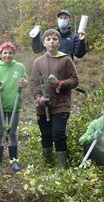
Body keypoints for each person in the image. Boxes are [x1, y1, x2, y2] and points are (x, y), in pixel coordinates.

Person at [31, 29, 79, 169]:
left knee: (58, 134)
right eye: (48, 39)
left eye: (55, 39)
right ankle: (47, 163)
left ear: (59, 42)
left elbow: (75, 80)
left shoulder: (66, 59)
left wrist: (60, 83)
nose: (51, 41)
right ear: (44, 43)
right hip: (43, 107)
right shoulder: (38, 62)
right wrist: (39, 97)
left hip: (61, 104)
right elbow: (34, 82)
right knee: (46, 134)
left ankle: (61, 167)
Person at [0, 42, 28, 172]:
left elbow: (25, 81)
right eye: (5, 53)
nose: (7, 55)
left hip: (14, 104)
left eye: (10, 53)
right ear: (1, 54)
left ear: (14, 54)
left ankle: (13, 161)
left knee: (12, 132)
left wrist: (24, 83)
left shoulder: (20, 67)